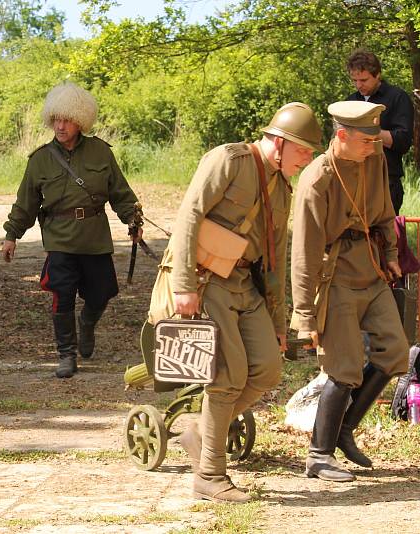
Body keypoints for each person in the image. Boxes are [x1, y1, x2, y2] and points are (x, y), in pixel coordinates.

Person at [171, 103, 323, 502]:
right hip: (210, 282)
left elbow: (275, 255)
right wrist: (183, 283)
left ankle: (203, 431)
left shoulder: (282, 187)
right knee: (228, 377)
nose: (307, 159)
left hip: (247, 285)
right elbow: (190, 216)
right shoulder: (229, 160)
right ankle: (209, 474)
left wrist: (278, 318)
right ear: (279, 142)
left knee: (269, 370)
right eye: (303, 151)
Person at [291, 101, 409, 482]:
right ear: (341, 136)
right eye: (364, 140)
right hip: (335, 275)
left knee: (394, 353)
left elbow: (385, 210)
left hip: (371, 268)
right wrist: (305, 314)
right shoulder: (316, 180)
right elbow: (304, 253)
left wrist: (391, 252)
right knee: (343, 369)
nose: (373, 147)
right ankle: (319, 454)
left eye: (375, 139)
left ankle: (343, 428)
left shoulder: (371, 156)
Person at [1, 81, 142, 379]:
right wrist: (11, 234)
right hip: (59, 238)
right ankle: (66, 354)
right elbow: (25, 202)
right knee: (60, 294)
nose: (61, 126)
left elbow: (120, 192)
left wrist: (132, 220)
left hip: (93, 236)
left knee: (102, 293)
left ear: (80, 122)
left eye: (67, 120)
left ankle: (87, 323)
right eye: (56, 120)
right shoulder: (40, 160)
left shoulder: (101, 153)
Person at [346, 49, 414, 213]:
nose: (358, 85)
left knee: (384, 237)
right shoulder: (350, 101)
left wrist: (370, 131)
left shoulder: (398, 97)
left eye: (363, 80)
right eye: (354, 80)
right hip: (353, 179)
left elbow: (403, 142)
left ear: (378, 75)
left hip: (386, 181)